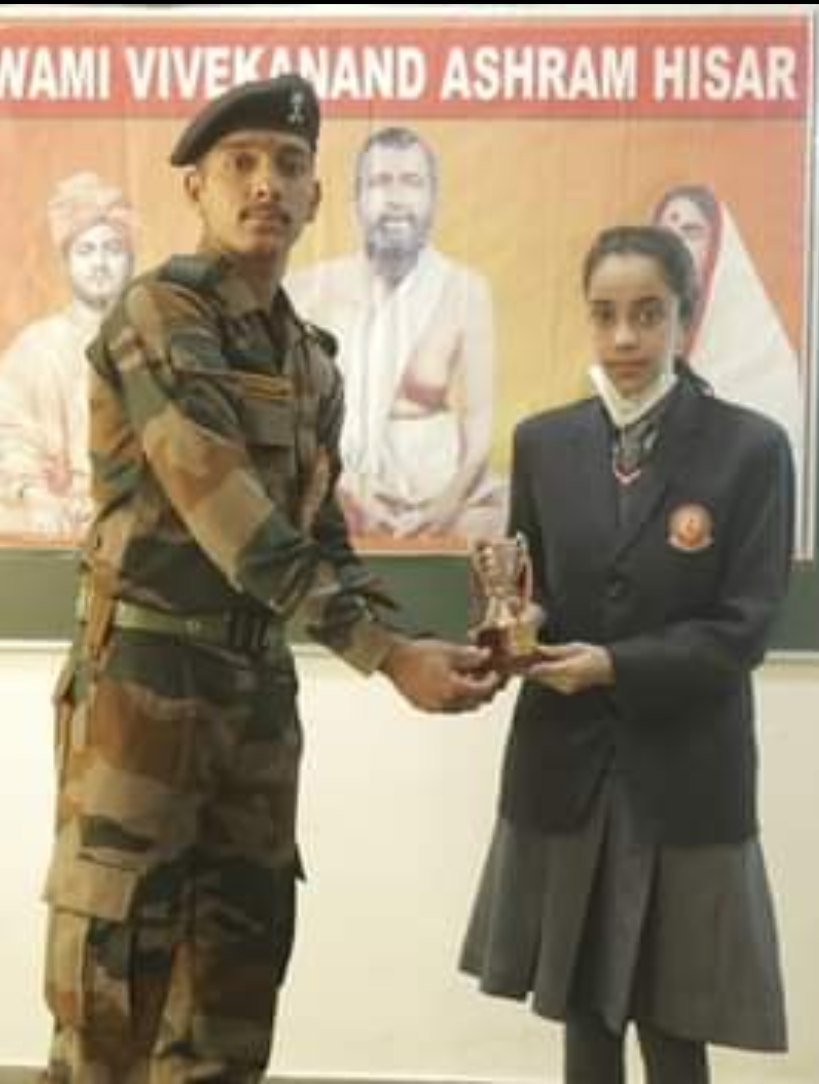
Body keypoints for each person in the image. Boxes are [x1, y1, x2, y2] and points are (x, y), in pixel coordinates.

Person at [39, 74, 499, 1084]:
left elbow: (318, 533)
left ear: (314, 196)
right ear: (196, 188)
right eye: (241, 164)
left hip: (255, 697)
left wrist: (412, 640)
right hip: (145, 694)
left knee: (232, 1004)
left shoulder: (310, 359)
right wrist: (386, 656)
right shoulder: (159, 313)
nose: (266, 184)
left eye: (289, 166)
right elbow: (229, 514)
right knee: (109, 1008)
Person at [460, 225, 794, 1083]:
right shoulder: (544, 442)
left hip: (686, 771)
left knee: (676, 1022)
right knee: (583, 1009)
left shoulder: (750, 449)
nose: (624, 337)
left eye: (648, 314)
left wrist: (615, 665)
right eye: (605, 314)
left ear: (685, 317)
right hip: (565, 766)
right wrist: (516, 621)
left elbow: (744, 628)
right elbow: (533, 587)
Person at [286, 126, 505, 543]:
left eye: (412, 182)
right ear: (356, 202)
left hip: (436, 485)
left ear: (433, 199)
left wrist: (444, 508)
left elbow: (478, 430)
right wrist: (344, 487)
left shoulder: (464, 290)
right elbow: (293, 422)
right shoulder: (309, 290)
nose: (396, 199)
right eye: (380, 182)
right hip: (336, 484)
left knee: (495, 521)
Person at [0, 171, 135, 539]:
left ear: (130, 261)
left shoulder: (155, 342)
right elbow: (8, 434)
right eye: (86, 251)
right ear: (66, 263)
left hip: (135, 508)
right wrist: (38, 496)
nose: (100, 263)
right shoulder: (37, 345)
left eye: (113, 249)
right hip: (52, 507)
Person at [652, 183, 805, 490]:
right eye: (666, 234)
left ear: (718, 246)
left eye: (691, 232)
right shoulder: (639, 344)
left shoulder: (765, 359)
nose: (676, 243)